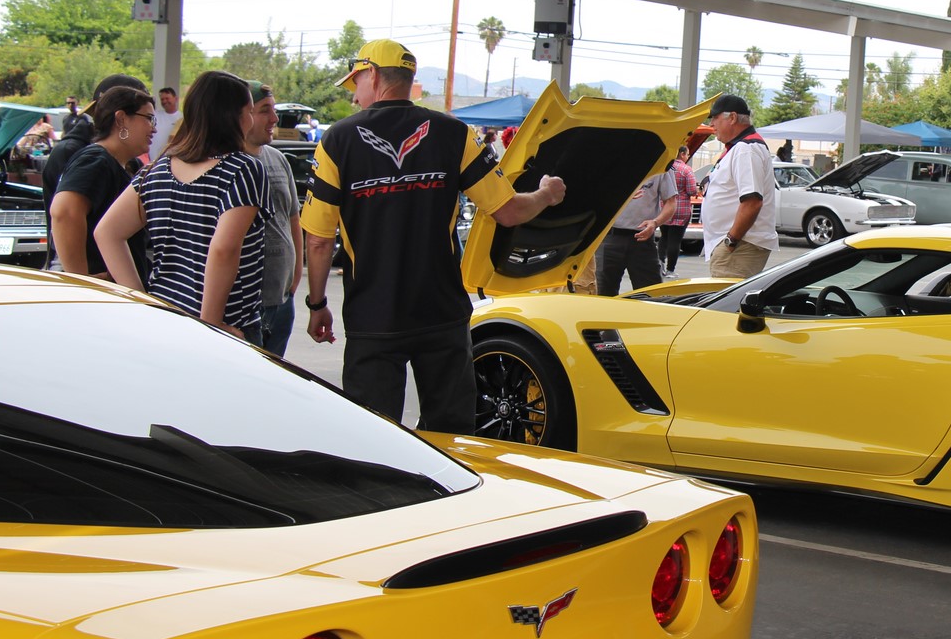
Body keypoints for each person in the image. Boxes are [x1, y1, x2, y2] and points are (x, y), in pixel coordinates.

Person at [300, 39, 565, 433]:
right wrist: (547, 194)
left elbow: (320, 240)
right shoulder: (454, 133)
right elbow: (508, 211)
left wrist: (317, 302)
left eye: (355, 83)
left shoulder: (337, 140)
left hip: (373, 315)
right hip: (441, 314)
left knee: (373, 437)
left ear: (372, 74)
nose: (354, 97)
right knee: (452, 435)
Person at [96, 70, 267, 341]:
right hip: (227, 327)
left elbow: (106, 232)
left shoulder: (157, 170)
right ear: (229, 116)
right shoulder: (243, 169)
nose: (250, 119)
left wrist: (144, 304)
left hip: (165, 319)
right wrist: (209, 327)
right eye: (248, 110)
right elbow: (223, 249)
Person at [49, 85, 156, 279]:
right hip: (100, 298)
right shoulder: (97, 160)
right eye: (149, 118)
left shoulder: (116, 163)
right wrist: (81, 281)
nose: (154, 128)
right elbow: (63, 212)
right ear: (121, 119)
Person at [245, 81, 304, 355]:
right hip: (244, 306)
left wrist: (294, 277)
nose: (275, 118)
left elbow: (293, 218)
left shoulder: (278, 159)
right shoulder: (222, 162)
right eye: (265, 110)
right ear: (243, 115)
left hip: (281, 300)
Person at [702, 94, 777, 278]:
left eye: (715, 117)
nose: (712, 124)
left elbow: (752, 201)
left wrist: (730, 241)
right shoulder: (739, 148)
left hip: (741, 244)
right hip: (738, 244)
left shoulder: (746, 148)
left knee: (725, 305)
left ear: (732, 117)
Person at [596, 168, 677, 294]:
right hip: (608, 238)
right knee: (602, 294)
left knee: (651, 294)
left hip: (643, 239)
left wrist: (655, 222)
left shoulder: (662, 164)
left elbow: (671, 202)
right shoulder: (610, 160)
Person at [660, 144, 697, 280]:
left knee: (664, 237)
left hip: (664, 208)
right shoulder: (686, 170)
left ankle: (660, 265)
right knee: (675, 241)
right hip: (681, 209)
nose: (687, 157)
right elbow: (692, 190)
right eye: (687, 154)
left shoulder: (664, 167)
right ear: (682, 154)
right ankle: (670, 270)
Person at [150, 86, 182, 161]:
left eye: (167, 98)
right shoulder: (155, 115)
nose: (164, 101)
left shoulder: (182, 118)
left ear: (176, 99)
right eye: (162, 99)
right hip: (152, 160)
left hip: (170, 160)